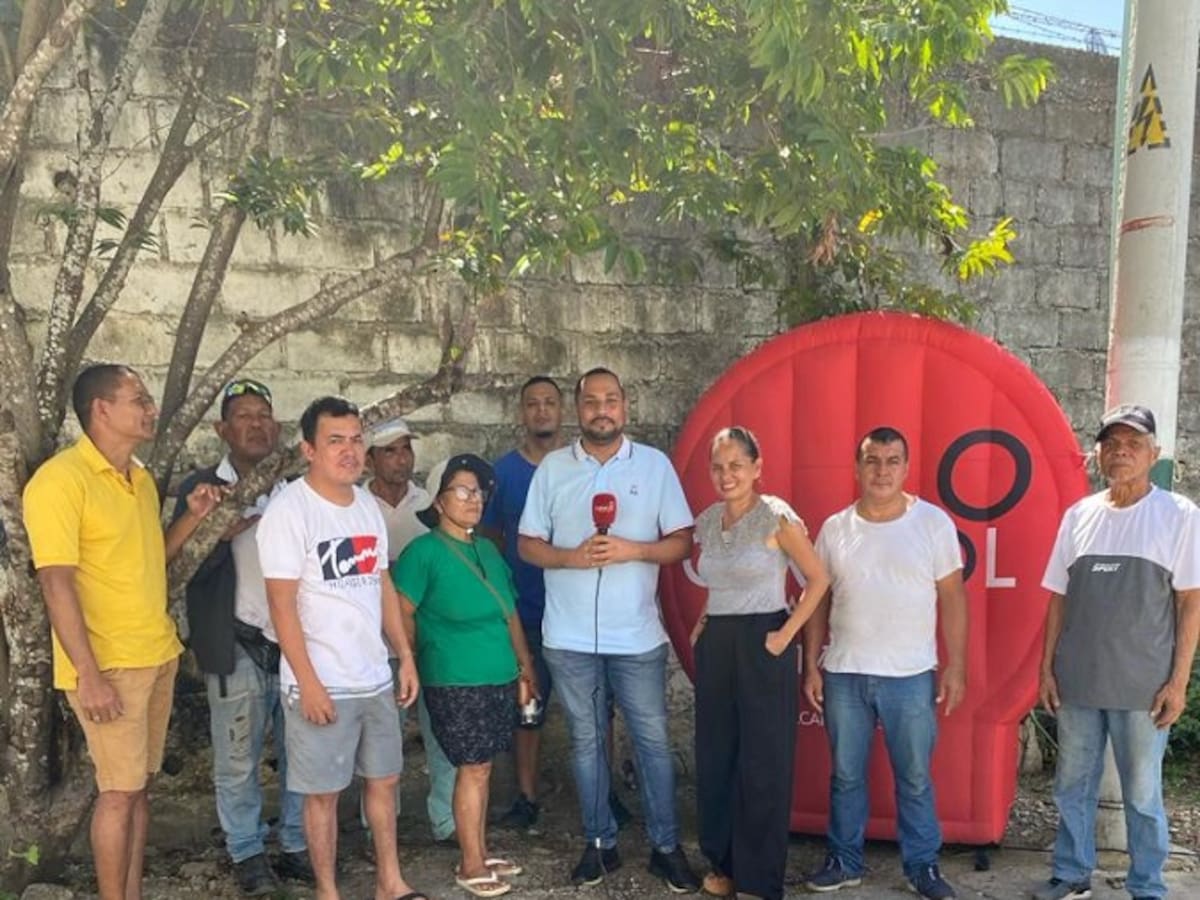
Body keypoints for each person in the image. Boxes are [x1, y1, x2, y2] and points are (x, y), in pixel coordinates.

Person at [519, 366, 702, 892]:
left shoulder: (654, 465)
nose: (602, 409)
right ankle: (600, 844)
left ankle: (666, 849)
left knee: (652, 742)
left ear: (625, 406)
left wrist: (633, 550)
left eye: (611, 400)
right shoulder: (553, 469)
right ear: (579, 409)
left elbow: (682, 541)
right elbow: (528, 544)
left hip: (637, 636)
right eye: (592, 401)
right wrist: (571, 558)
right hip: (568, 637)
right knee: (584, 742)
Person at [23, 363, 184, 900]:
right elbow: (56, 583)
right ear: (102, 409)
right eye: (138, 397)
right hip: (109, 666)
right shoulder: (60, 481)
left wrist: (192, 519)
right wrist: (88, 675)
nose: (150, 408)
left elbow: (145, 562)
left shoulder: (138, 479)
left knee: (138, 791)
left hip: (156, 652)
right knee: (117, 794)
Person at [256, 396, 425, 900]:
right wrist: (307, 682)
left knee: (384, 782)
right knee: (323, 795)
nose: (349, 451)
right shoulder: (290, 512)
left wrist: (405, 656)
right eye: (336, 441)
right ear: (309, 449)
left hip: (373, 675)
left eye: (356, 440)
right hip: (321, 681)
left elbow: (382, 585)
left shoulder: (367, 507)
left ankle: (389, 883)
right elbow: (281, 606)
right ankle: (327, 891)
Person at [1033, 405, 1200, 900]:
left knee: (1143, 795)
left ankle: (1147, 886)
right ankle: (1070, 875)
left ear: (1154, 453)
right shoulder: (1079, 515)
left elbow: (1191, 603)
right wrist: (1046, 669)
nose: (1121, 451)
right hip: (1078, 682)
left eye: (1133, 442)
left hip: (1144, 688)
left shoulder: (1179, 515)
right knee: (1071, 787)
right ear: (1098, 453)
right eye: (1112, 442)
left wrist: (1178, 683)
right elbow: (1057, 598)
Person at [802, 426, 967, 900]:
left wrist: (957, 666)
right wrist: (811, 665)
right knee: (846, 775)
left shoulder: (932, 523)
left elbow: (953, 598)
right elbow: (818, 601)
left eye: (892, 461)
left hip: (911, 675)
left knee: (914, 778)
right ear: (856, 468)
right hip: (845, 672)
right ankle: (844, 861)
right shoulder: (835, 528)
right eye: (872, 460)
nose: (882, 470)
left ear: (906, 467)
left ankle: (922, 868)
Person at [165, 377, 312, 894]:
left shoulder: (296, 485)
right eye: (244, 416)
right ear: (222, 428)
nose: (257, 424)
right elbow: (176, 566)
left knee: (303, 749)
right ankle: (247, 852)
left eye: (264, 415)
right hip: (236, 639)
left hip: (295, 642)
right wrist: (213, 531)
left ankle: (296, 844)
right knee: (237, 755)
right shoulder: (204, 489)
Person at [689, 426, 830, 900]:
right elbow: (718, 578)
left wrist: (786, 636)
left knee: (763, 762)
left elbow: (817, 578)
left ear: (756, 468)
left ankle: (759, 879)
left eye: (736, 466)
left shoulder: (775, 516)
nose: (726, 475)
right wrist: (705, 619)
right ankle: (724, 864)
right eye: (718, 467)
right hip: (719, 643)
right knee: (716, 756)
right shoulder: (707, 520)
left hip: (764, 638)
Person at [394, 453, 539, 898]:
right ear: (438, 501)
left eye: (477, 492)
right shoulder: (424, 553)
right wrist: (414, 658)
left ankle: (479, 847)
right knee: (472, 767)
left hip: (496, 674)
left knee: (482, 767)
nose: (473, 499)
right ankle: (470, 861)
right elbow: (401, 612)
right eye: (462, 490)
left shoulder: (487, 550)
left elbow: (509, 612)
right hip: (454, 677)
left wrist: (524, 666)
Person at [363, 417, 455, 846]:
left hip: (429, 642)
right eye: (390, 451)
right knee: (382, 741)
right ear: (369, 459)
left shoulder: (427, 505)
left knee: (441, 732)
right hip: (375, 647)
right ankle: (380, 831)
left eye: (405, 449)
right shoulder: (356, 506)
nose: (401, 459)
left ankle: (449, 821)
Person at [482, 376, 564, 831]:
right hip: (525, 614)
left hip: (576, 615)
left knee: (596, 710)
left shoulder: (580, 467)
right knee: (527, 707)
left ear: (561, 410)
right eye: (532, 403)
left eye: (549, 403)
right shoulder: (503, 474)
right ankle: (527, 798)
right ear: (522, 412)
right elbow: (492, 541)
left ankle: (605, 795)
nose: (541, 411)